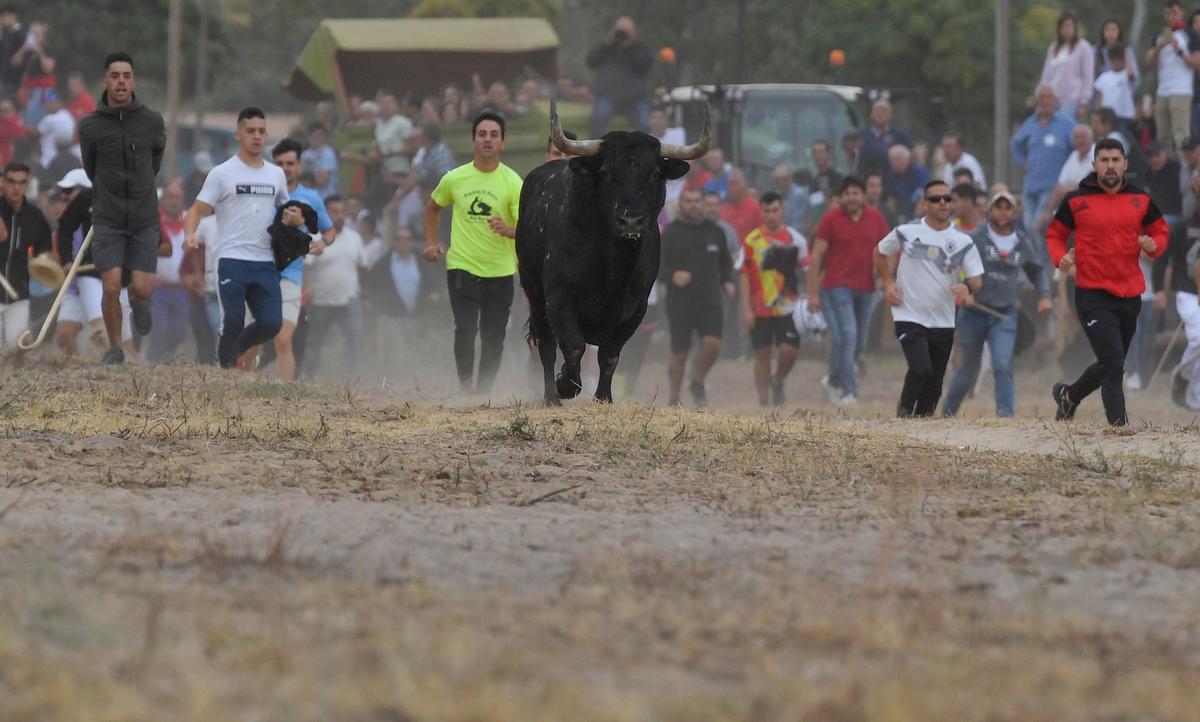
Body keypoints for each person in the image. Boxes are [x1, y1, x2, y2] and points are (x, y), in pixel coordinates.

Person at [1047, 138, 1170, 427]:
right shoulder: (1076, 200)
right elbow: (1054, 235)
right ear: (1094, 165)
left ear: (1125, 164)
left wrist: (1153, 244)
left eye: (1116, 160)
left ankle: (1068, 396)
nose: (1110, 165)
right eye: (1104, 160)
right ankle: (1119, 427)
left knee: (1110, 364)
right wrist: (1061, 259)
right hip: (1092, 294)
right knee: (1113, 363)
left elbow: (1161, 232)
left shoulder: (1140, 199)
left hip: (1130, 295)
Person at [182, 107, 308, 370]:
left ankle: (233, 350)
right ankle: (226, 373)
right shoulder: (222, 173)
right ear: (238, 134)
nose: (257, 136)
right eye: (251, 131)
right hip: (231, 258)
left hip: (265, 260)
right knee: (234, 319)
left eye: (262, 131)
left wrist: (298, 222)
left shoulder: (275, 174)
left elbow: (288, 210)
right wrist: (190, 234)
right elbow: (197, 209)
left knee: (272, 323)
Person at [423, 111, 522, 394]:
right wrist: (431, 242)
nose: (488, 140)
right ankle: (466, 390)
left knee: (494, 336)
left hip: (501, 269)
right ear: (473, 141)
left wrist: (509, 230)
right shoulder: (455, 178)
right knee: (465, 329)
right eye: (482, 134)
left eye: (494, 135)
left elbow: (527, 226)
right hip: (462, 265)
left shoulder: (513, 182)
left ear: (502, 142)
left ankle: (484, 392)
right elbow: (433, 207)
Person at [79, 52, 165, 365]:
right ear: (105, 80)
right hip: (108, 216)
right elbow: (91, 168)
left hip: (143, 215)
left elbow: (154, 162)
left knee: (141, 288)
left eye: (126, 76)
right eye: (115, 76)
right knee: (110, 284)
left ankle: (140, 301)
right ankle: (115, 347)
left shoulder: (152, 121)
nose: (121, 82)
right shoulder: (89, 125)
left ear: (133, 81)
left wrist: (138, 188)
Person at [874, 180, 984, 418]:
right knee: (920, 367)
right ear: (924, 204)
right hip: (908, 313)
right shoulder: (906, 231)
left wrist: (967, 287)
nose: (943, 203)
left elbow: (977, 279)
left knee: (934, 383)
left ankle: (922, 425)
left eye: (947, 198)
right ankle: (904, 411)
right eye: (936, 199)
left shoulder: (963, 241)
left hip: (943, 320)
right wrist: (888, 282)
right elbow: (880, 251)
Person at [941, 192, 1053, 417]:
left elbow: (1036, 271)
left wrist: (1044, 294)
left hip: (1004, 314)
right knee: (966, 370)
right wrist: (965, 290)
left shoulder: (1021, 242)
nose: (1003, 212)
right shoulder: (976, 237)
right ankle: (947, 413)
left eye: (1008, 207)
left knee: (1002, 364)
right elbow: (953, 266)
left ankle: (1005, 416)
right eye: (998, 207)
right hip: (973, 312)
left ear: (1014, 212)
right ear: (990, 211)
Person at [255, 137, 334, 380]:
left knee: (283, 339)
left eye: (290, 163)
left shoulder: (311, 198)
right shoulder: (261, 191)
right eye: (279, 163)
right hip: (258, 272)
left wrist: (322, 242)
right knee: (252, 340)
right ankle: (242, 388)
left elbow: (329, 230)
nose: (285, 168)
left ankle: (284, 395)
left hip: (291, 274)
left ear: (299, 167)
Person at [806, 176, 889, 405]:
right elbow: (817, 255)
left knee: (854, 341)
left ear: (863, 196)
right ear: (841, 197)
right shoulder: (830, 219)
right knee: (848, 334)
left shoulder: (876, 218)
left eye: (856, 193)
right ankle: (849, 391)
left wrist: (886, 277)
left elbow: (889, 249)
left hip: (866, 287)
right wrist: (812, 292)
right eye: (847, 193)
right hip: (836, 286)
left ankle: (832, 380)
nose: (852, 197)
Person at [659, 187, 734, 406]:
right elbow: (657, 268)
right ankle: (674, 397)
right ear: (680, 204)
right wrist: (674, 275)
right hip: (679, 301)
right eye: (688, 201)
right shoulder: (670, 233)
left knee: (713, 344)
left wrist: (727, 281)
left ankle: (697, 381)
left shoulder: (715, 231)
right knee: (680, 350)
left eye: (697, 200)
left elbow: (725, 264)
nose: (693, 204)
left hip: (709, 299)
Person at [738, 191, 808, 406]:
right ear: (762, 212)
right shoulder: (751, 240)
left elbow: (807, 269)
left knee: (789, 350)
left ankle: (777, 380)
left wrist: (809, 296)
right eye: (767, 211)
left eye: (775, 210)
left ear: (782, 211)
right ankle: (763, 402)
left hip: (788, 306)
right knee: (763, 354)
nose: (771, 215)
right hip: (759, 308)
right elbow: (744, 274)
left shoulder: (796, 239)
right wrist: (747, 309)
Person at [303, 196, 370, 379]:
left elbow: (362, 267)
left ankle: (351, 378)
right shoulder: (315, 238)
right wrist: (306, 289)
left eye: (342, 212)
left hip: (349, 299)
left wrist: (364, 295)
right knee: (314, 342)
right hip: (320, 301)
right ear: (324, 214)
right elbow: (305, 267)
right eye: (335, 212)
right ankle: (310, 377)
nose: (340, 216)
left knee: (354, 338)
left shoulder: (354, 238)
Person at [1011, 84, 1075, 260]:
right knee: (1028, 225)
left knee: (1038, 226)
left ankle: (1043, 264)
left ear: (1054, 100)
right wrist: (1022, 163)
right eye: (1042, 98)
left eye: (1049, 97)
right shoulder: (1030, 123)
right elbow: (1015, 143)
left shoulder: (1066, 123)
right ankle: (1039, 264)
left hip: (1051, 185)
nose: (1046, 101)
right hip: (1030, 183)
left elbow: (1078, 143)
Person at [1154, 182, 1200, 410]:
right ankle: (1182, 376)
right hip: (1187, 292)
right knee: (1199, 338)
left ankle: (1194, 397)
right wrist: (1159, 290)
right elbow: (1163, 259)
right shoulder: (1183, 226)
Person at [0, 161, 51, 351]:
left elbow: (44, 248)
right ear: (3, 182)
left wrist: (44, 262)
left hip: (19, 293)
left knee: (15, 348)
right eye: (11, 181)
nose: (15, 187)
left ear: (26, 184)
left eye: (21, 183)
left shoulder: (34, 216)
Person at [1147, 1, 1200, 157]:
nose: (1171, 16)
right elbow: (1148, 61)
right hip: (1162, 91)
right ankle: (1165, 172)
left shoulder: (1190, 34)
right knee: (1162, 137)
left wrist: (1179, 50)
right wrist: (1159, 47)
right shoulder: (1159, 35)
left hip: (1182, 90)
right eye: (1168, 13)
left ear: (1181, 13)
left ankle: (1185, 172)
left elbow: (1196, 63)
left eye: (1175, 12)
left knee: (1181, 136)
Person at [145, 179, 190, 363]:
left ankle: (167, 356)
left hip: (182, 288)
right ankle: (154, 363)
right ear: (162, 199)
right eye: (170, 197)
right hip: (159, 288)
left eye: (178, 197)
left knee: (180, 331)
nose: (174, 201)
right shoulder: (153, 221)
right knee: (159, 330)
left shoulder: (189, 221)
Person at [585, 16, 653, 136]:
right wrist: (607, 43)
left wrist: (629, 47)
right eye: (619, 31)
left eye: (625, 31)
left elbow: (644, 65)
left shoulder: (640, 47)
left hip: (635, 98)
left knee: (644, 124)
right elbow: (590, 62)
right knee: (598, 119)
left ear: (633, 32)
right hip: (608, 96)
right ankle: (598, 151)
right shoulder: (606, 48)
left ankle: (642, 152)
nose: (622, 35)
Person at [1037, 124, 1095, 232]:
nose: (1080, 141)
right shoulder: (1074, 155)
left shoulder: (1098, 154)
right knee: (1041, 223)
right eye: (1076, 138)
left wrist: (1068, 189)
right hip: (1071, 206)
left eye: (1083, 137)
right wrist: (1048, 211)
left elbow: (1087, 186)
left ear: (1091, 139)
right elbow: (1059, 186)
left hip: (1092, 207)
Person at [1039, 11, 1094, 121]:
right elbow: (1046, 75)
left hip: (1071, 100)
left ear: (1074, 27)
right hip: (1051, 100)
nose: (1066, 29)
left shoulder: (1083, 47)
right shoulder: (1053, 48)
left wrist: (1083, 102)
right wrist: (1040, 94)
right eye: (1063, 26)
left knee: (1066, 132)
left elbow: (1088, 76)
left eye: (1068, 26)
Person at [856, 98, 912, 177]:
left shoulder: (900, 135)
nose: (880, 114)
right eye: (877, 111)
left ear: (890, 114)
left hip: (892, 182)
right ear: (871, 114)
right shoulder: (862, 135)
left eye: (884, 111)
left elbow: (912, 157)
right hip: (866, 181)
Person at [1094, 45, 1137, 135]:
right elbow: (1099, 97)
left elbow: (1131, 74)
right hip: (1107, 117)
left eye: (1119, 60)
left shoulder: (1125, 75)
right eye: (1114, 60)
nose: (1116, 62)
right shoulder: (1103, 77)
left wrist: (1125, 55)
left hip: (1124, 116)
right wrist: (1097, 114)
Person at [883, 144, 930, 222]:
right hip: (903, 216)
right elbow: (891, 199)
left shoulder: (919, 172)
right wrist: (892, 218)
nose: (895, 163)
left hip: (922, 217)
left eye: (898, 159)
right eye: (892, 160)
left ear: (907, 159)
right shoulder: (892, 175)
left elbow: (923, 197)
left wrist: (915, 219)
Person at [720, 169, 762, 243]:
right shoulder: (723, 209)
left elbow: (762, 234)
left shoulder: (755, 208)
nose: (729, 188)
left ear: (743, 186)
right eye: (728, 184)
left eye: (733, 184)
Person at [35, 90, 72, 170]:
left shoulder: (49, 119)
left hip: (48, 160)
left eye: (52, 102)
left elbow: (34, 134)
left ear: (59, 103)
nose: (49, 105)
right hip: (66, 159)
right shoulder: (67, 115)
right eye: (48, 102)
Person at [1095, 18, 1140, 85]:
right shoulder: (1096, 50)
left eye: (1113, 30)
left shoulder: (1127, 50)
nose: (1110, 33)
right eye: (1107, 30)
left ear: (1119, 32)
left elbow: (1134, 76)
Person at [301, 122, 338, 200]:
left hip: (326, 198)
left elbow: (322, 180)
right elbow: (299, 178)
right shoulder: (305, 154)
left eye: (321, 135)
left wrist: (307, 179)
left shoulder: (328, 153)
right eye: (316, 136)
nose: (319, 138)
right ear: (309, 137)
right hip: (308, 198)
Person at [772, 164, 808, 234]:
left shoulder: (799, 195)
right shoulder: (776, 195)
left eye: (784, 179)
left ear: (790, 179)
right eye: (777, 180)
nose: (781, 182)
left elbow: (798, 225)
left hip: (795, 236)